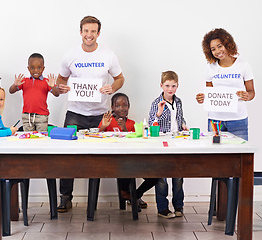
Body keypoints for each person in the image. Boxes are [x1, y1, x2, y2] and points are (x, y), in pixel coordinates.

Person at [56, 16, 125, 212]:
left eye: (93, 31)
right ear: (80, 32)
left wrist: (112, 87)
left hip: (101, 115)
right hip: (75, 113)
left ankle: (98, 199)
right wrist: (62, 87)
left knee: (100, 157)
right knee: (67, 156)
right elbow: (61, 79)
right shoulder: (70, 55)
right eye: (86, 31)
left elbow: (120, 78)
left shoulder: (108, 55)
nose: (89, 35)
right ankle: (65, 198)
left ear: (98, 33)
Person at [99, 93, 159, 209]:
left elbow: (135, 141)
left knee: (155, 177)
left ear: (129, 106)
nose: (122, 108)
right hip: (113, 160)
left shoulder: (132, 124)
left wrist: (125, 130)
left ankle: (135, 194)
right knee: (124, 165)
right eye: (118, 106)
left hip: (132, 160)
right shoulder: (107, 120)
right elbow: (97, 136)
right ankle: (126, 193)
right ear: (112, 107)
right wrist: (103, 127)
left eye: (125, 105)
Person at [196, 28, 255, 141]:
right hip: (215, 120)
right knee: (216, 156)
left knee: (240, 154)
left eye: (220, 46)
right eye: (213, 49)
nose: (217, 51)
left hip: (238, 119)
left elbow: (251, 92)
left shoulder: (243, 66)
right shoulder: (210, 68)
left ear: (227, 44)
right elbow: (210, 93)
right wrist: (203, 98)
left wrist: (247, 96)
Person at [148, 70, 188, 218]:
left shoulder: (178, 102)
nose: (170, 89)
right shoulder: (156, 103)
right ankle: (162, 208)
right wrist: (159, 113)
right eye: (167, 85)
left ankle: (178, 206)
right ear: (161, 86)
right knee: (162, 178)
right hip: (161, 141)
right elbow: (152, 124)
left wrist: (184, 125)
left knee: (178, 177)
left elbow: (180, 118)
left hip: (176, 140)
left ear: (177, 86)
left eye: (173, 86)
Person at [9, 53, 60, 132]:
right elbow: (11, 91)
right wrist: (15, 85)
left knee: (41, 137)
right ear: (28, 68)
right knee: (28, 138)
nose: (36, 70)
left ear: (43, 69)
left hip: (42, 116)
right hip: (27, 116)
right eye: (32, 68)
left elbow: (57, 94)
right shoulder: (24, 81)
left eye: (39, 68)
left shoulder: (47, 82)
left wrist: (53, 86)